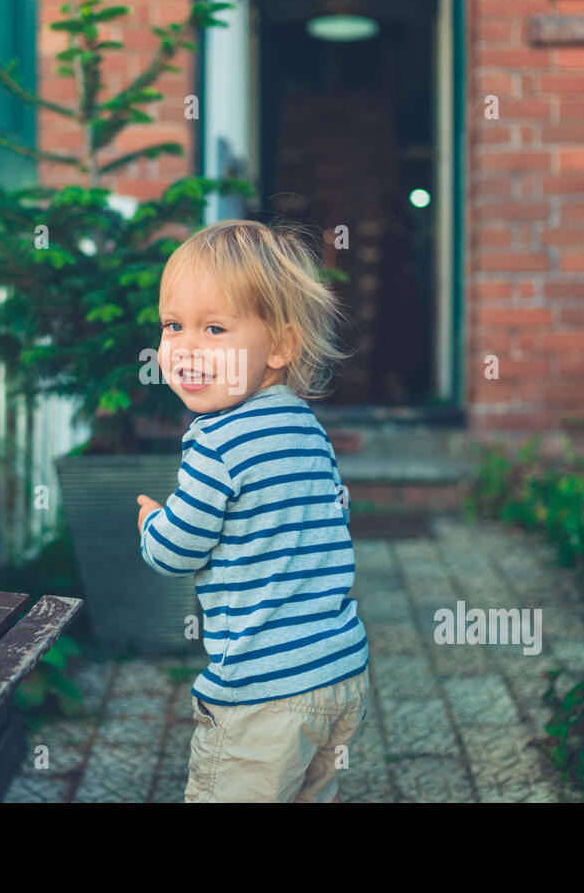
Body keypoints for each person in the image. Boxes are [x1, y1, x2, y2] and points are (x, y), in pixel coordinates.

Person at [135, 218, 370, 803]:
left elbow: (177, 550)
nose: (185, 347)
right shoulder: (304, 425)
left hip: (263, 690)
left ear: (280, 347)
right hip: (339, 671)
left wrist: (151, 525)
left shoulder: (215, 441)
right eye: (173, 326)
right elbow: (332, 515)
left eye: (214, 328)